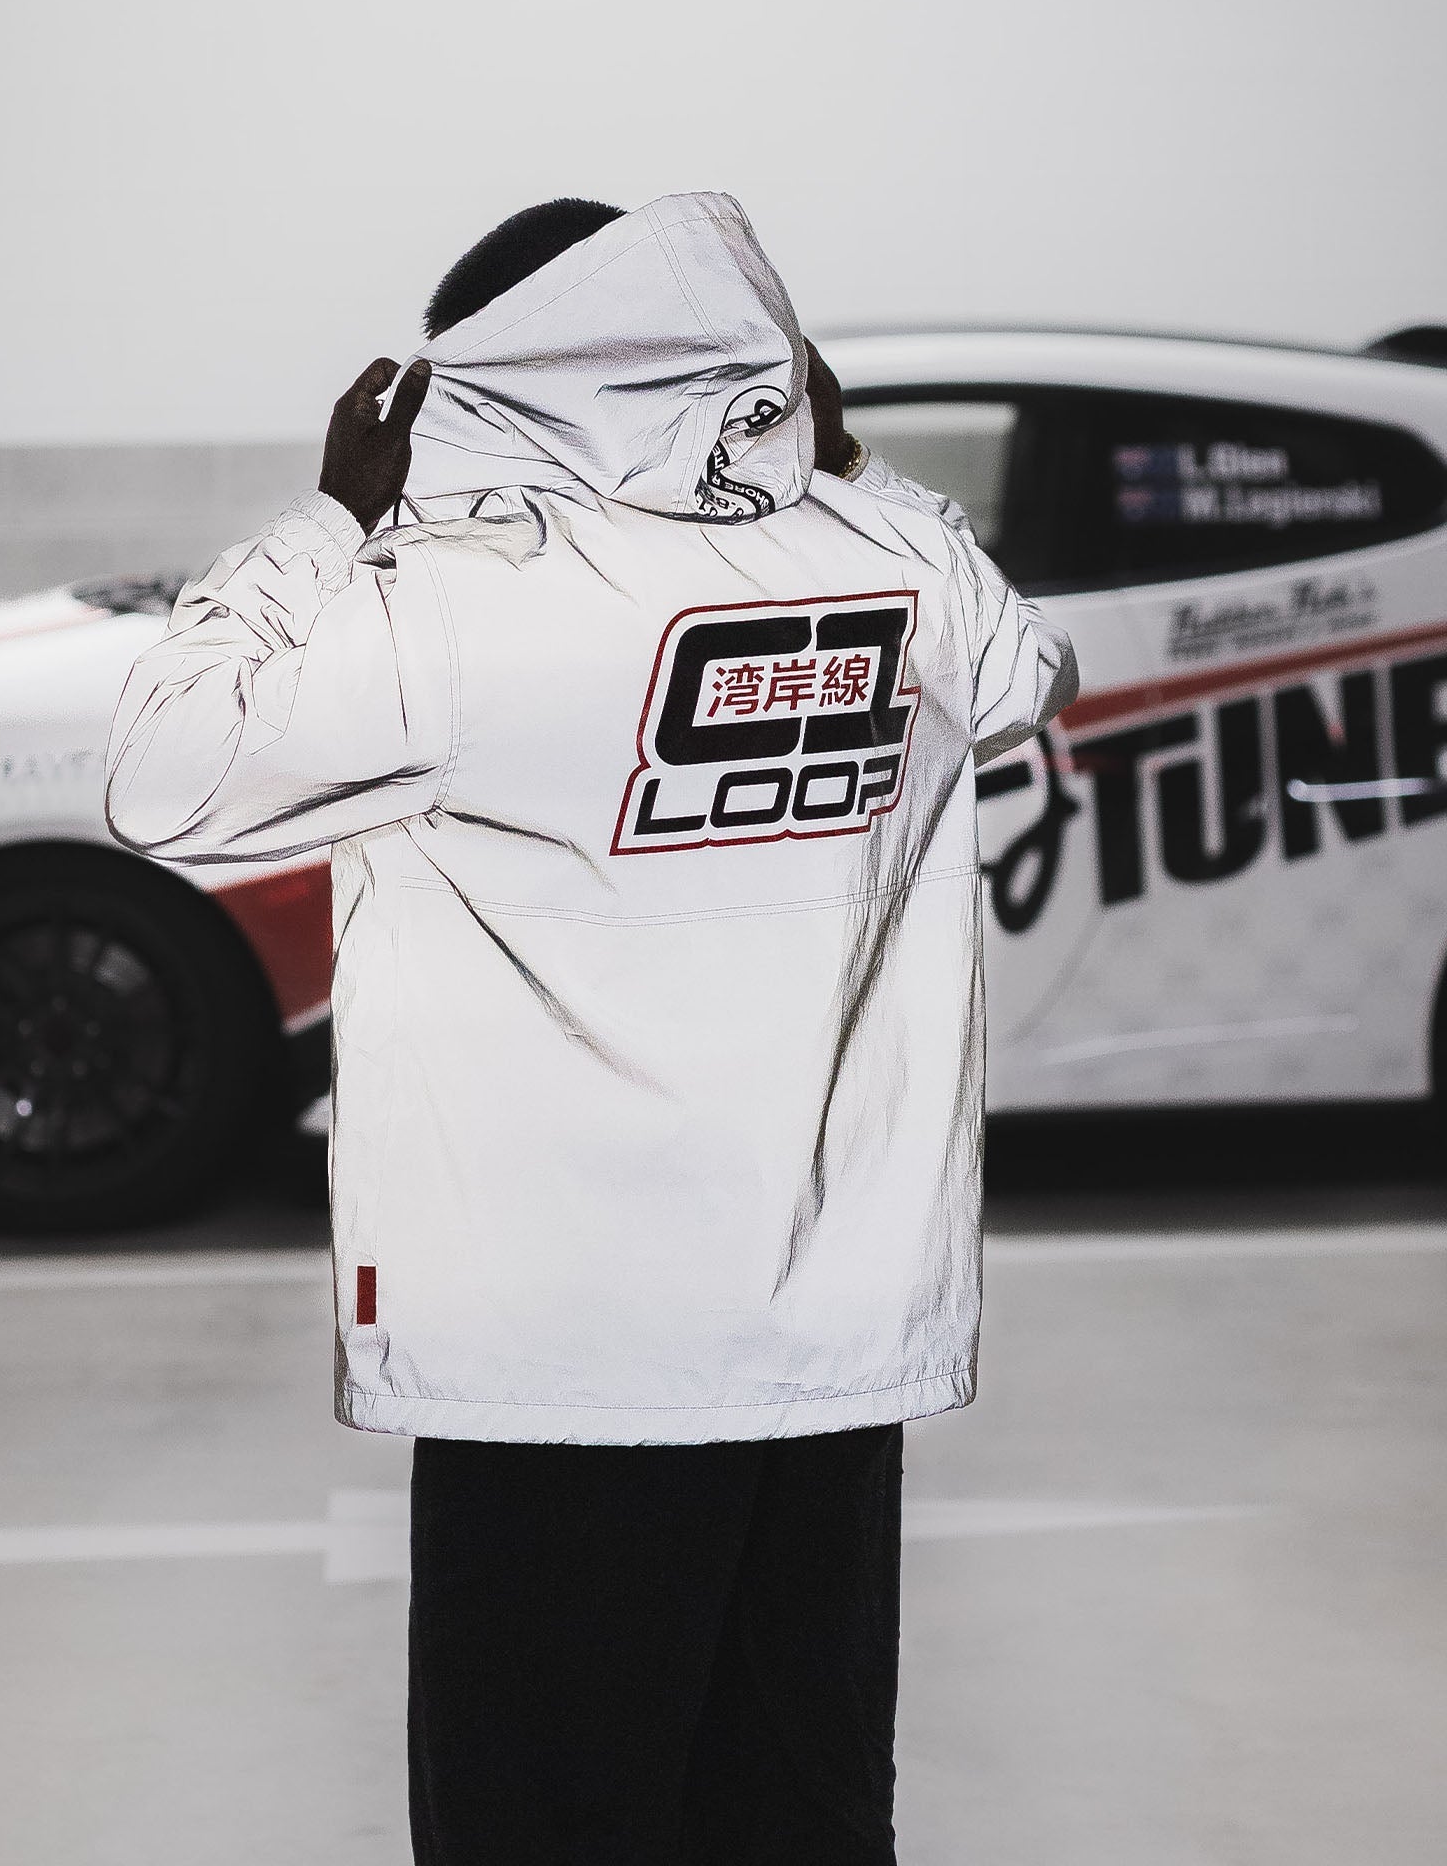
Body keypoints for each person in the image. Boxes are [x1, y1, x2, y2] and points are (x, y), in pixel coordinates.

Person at [104, 192, 1077, 1864]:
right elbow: (1028, 671)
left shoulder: (453, 607)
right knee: (798, 1814)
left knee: (545, 1821)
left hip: (558, 1368)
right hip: (823, 1349)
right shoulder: (900, 570)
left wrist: (330, 522)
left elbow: (162, 776)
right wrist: (840, 461)